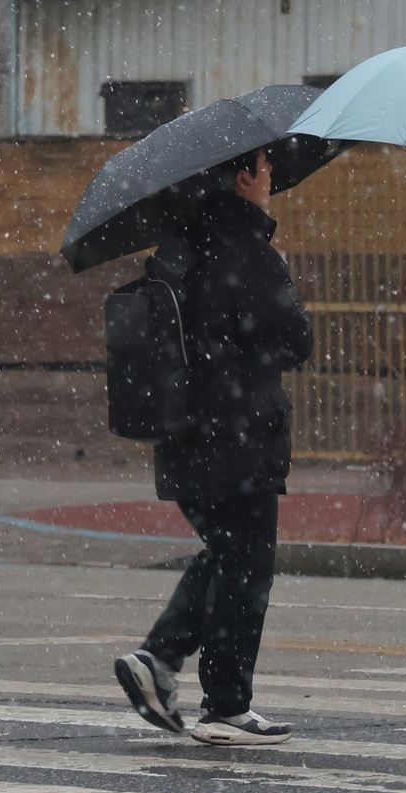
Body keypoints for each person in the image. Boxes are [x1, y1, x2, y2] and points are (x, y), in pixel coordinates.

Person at [114, 147, 314, 745]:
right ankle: (217, 698)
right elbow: (296, 340)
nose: (271, 178)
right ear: (242, 176)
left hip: (183, 438)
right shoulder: (249, 252)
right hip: (240, 437)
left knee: (228, 556)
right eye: (265, 168)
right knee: (246, 566)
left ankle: (165, 663)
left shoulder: (175, 254)